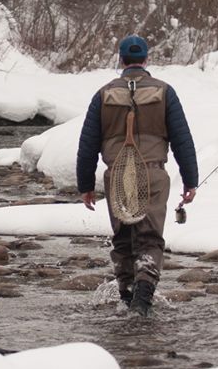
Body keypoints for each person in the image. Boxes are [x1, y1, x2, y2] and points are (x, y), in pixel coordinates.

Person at [76, 35, 198, 317]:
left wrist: (85, 185)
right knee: (150, 239)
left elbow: (87, 145)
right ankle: (142, 301)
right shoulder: (165, 92)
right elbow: (183, 140)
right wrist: (190, 181)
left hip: (117, 175)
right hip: (153, 173)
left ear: (121, 59)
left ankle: (127, 297)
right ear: (146, 59)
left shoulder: (104, 94)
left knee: (123, 239)